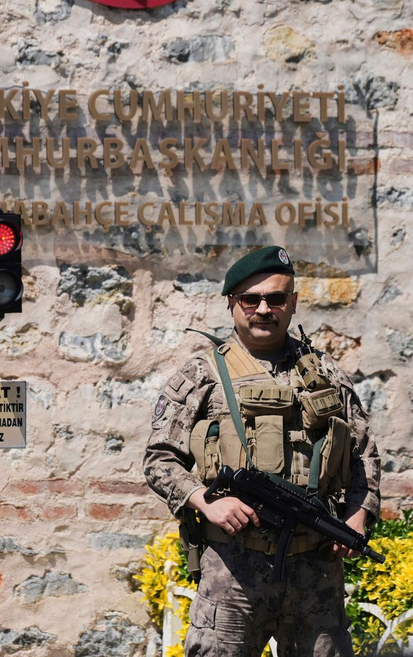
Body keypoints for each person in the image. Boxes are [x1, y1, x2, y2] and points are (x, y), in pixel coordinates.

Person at [144, 245, 380, 657]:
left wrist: (358, 515)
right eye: (250, 299)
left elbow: (363, 455)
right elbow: (160, 459)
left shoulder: (327, 374)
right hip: (232, 570)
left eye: (276, 298)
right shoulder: (202, 375)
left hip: (315, 571)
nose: (264, 309)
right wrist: (206, 501)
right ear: (232, 303)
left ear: (293, 302)